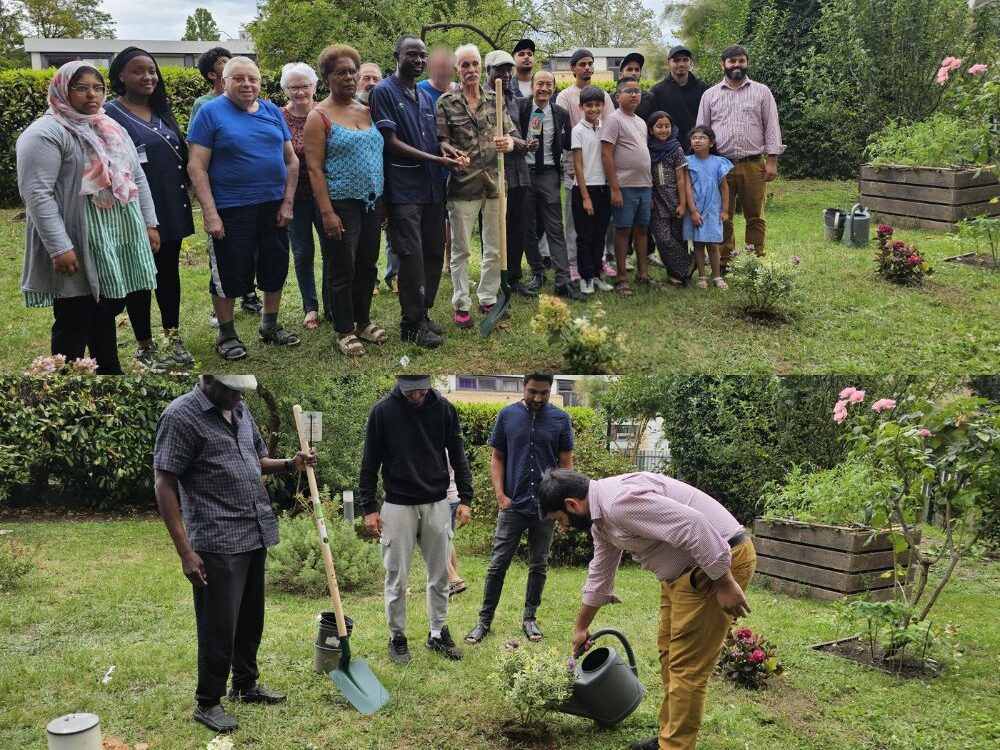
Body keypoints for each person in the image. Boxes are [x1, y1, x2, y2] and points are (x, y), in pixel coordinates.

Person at [537, 469, 754, 750]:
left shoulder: (619, 503)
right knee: (669, 655)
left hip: (715, 564)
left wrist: (724, 582)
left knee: (687, 668)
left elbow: (695, 524)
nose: (563, 527)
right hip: (684, 573)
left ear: (571, 504)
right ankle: (668, 738)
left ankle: (675, 746)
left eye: (560, 519)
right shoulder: (602, 521)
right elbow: (600, 574)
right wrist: (581, 627)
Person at [154, 374, 318, 734]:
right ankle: (208, 701)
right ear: (208, 379)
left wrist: (290, 463)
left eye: (243, 392)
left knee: (249, 618)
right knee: (219, 625)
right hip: (217, 538)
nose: (240, 398)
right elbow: (164, 483)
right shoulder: (180, 416)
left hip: (253, 530)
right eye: (233, 391)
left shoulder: (240, 410)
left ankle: (245, 684)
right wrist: (185, 551)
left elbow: (257, 460)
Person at [18, 61, 158, 375]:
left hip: (113, 235)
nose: (91, 95)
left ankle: (108, 372)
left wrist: (149, 223)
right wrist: (59, 247)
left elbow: (136, 176)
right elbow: (37, 194)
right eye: (81, 88)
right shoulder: (45, 133)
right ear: (62, 91)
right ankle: (68, 382)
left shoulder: (110, 127)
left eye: (97, 88)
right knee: (75, 313)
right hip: (77, 238)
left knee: (106, 307)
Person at [187, 56, 300, 361]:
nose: (247, 84)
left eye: (253, 78)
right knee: (229, 272)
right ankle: (227, 334)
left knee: (275, 266)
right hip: (231, 208)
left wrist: (287, 202)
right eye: (239, 78)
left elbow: (291, 160)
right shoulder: (210, 112)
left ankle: (269, 325)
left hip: (273, 206)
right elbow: (196, 166)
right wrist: (210, 213)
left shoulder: (272, 111)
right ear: (224, 81)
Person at [359, 375, 474, 664]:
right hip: (397, 505)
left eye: (420, 390)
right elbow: (369, 461)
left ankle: (437, 633)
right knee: (396, 576)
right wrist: (369, 507)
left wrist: (466, 498)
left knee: (440, 574)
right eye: (409, 391)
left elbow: (458, 455)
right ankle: (397, 637)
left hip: (437, 502)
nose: (415, 396)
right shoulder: (382, 411)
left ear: (429, 382)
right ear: (399, 383)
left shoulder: (444, 409)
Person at [371, 35, 466, 350]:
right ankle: (410, 324)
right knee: (411, 256)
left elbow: (433, 139)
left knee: (434, 251)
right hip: (404, 190)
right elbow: (390, 142)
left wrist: (446, 149)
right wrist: (436, 160)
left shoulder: (425, 96)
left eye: (423, 55)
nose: (419, 60)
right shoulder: (384, 92)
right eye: (412, 54)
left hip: (432, 189)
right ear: (396, 56)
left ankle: (423, 313)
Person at [465, 374, 573, 646]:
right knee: (497, 565)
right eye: (532, 391)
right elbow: (497, 458)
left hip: (545, 509)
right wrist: (500, 495)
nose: (538, 398)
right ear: (523, 387)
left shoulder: (561, 419)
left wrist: (560, 504)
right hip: (513, 505)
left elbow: (566, 465)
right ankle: (484, 621)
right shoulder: (507, 416)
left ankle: (529, 618)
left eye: (544, 393)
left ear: (550, 390)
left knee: (539, 565)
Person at [105, 47, 195, 370]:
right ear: (120, 75)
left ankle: (173, 336)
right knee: (139, 275)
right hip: (134, 209)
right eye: (138, 71)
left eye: (152, 70)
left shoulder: (161, 111)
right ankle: (144, 344)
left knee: (169, 273)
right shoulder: (109, 114)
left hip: (169, 205)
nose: (148, 77)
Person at [304, 44, 388, 357]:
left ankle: (363, 321)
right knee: (342, 269)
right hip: (340, 204)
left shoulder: (367, 111)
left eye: (353, 71)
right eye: (341, 72)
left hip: (371, 202)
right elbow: (314, 169)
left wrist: (384, 202)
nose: (350, 77)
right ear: (327, 77)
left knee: (367, 265)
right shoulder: (319, 116)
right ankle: (344, 330)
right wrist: (327, 213)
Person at [436, 44, 514, 329]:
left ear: (482, 67)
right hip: (462, 185)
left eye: (475, 64)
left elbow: (510, 135)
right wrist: (450, 154)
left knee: (495, 247)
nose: (471, 69)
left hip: (494, 183)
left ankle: (488, 297)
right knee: (461, 250)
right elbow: (442, 142)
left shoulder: (496, 98)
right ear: (457, 69)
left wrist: (508, 143)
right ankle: (461, 303)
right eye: (465, 65)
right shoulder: (446, 102)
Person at [191, 46, 262, 320]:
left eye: (252, 78)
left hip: (258, 198)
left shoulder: (260, 106)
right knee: (227, 256)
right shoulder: (206, 107)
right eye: (224, 63)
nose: (246, 82)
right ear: (216, 76)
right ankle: (224, 316)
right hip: (227, 196)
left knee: (253, 251)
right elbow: (198, 157)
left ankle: (249, 294)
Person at [696, 44, 783, 267]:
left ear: (747, 63)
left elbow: (772, 126)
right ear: (722, 64)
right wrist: (705, 165)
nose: (737, 65)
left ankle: (754, 261)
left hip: (753, 164)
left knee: (755, 217)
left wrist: (772, 161)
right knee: (723, 215)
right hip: (720, 165)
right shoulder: (710, 95)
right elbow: (701, 131)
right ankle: (724, 262)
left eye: (741, 61)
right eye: (732, 61)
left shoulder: (761, 92)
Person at [513, 70, 582, 300]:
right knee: (526, 226)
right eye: (540, 84)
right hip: (524, 173)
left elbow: (569, 143)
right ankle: (537, 272)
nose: (544, 88)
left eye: (549, 84)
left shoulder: (561, 113)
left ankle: (563, 280)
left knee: (555, 226)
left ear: (553, 88)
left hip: (549, 174)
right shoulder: (520, 107)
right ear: (532, 86)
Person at [555, 50, 615, 283]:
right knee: (574, 220)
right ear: (573, 69)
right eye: (582, 64)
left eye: (590, 63)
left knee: (600, 221)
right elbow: (563, 133)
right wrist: (569, 164)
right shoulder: (565, 97)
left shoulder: (603, 95)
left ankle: (598, 261)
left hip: (600, 168)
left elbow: (609, 127)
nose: (587, 67)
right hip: (576, 166)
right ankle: (573, 263)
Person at [486, 51, 541, 299]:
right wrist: (519, 143)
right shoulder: (483, 98)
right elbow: (492, 134)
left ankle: (514, 277)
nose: (506, 74)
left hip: (519, 170)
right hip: (495, 170)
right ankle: (494, 282)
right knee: (496, 229)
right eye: (500, 69)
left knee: (519, 226)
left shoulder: (514, 98)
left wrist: (528, 143)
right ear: (488, 71)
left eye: (508, 69)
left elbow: (517, 130)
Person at [279, 62, 328, 332]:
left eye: (304, 86)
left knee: (331, 250)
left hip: (325, 195)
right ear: (285, 89)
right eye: (293, 87)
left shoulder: (324, 112)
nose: (299, 91)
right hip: (294, 197)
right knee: (302, 252)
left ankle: (331, 303)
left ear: (314, 86)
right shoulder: (278, 117)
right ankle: (310, 307)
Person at [602, 76, 654, 296]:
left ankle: (643, 273)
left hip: (645, 185)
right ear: (618, 96)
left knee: (642, 229)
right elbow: (606, 154)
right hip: (624, 186)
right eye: (629, 91)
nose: (634, 95)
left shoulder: (641, 122)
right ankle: (622, 277)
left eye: (637, 91)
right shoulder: (613, 120)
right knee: (623, 230)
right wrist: (614, 188)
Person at [356, 62, 398, 294]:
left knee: (393, 227)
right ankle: (369, 280)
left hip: (391, 175)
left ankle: (394, 275)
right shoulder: (350, 108)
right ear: (357, 81)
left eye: (376, 79)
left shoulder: (387, 107)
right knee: (366, 233)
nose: (371, 83)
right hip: (364, 180)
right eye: (366, 78)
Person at [570, 86, 615, 295]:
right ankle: (585, 277)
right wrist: (585, 196)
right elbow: (578, 165)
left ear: (603, 106)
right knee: (585, 235)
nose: (594, 109)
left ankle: (597, 274)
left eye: (597, 105)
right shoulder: (578, 130)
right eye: (589, 105)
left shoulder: (606, 128)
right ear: (581, 107)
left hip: (603, 188)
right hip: (584, 189)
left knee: (600, 234)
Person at [417, 46, 457, 277]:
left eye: (446, 66)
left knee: (452, 218)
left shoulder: (459, 91)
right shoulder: (420, 90)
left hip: (455, 167)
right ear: (430, 67)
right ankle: (426, 262)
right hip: (429, 167)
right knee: (432, 220)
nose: (443, 71)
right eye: (438, 66)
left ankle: (449, 262)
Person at [683, 125, 732, 290]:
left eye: (702, 138)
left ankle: (716, 276)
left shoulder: (719, 162)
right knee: (698, 244)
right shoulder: (687, 162)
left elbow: (724, 188)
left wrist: (724, 210)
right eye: (694, 138)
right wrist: (693, 211)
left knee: (713, 244)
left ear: (711, 143)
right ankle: (702, 276)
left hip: (713, 210)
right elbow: (687, 188)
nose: (697, 141)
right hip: (696, 209)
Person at [647, 111, 690, 286]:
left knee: (678, 237)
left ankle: (676, 275)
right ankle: (689, 263)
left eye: (667, 126)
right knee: (663, 238)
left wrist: (683, 203)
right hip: (656, 199)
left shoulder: (676, 148)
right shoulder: (648, 148)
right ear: (651, 130)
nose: (664, 130)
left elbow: (681, 178)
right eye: (659, 126)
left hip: (674, 198)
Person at [650, 46, 709, 153]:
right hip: (667, 151)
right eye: (676, 60)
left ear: (690, 63)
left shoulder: (703, 88)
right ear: (668, 63)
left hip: (697, 149)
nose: (681, 64)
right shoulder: (657, 91)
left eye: (685, 60)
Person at [613, 52, 655, 121]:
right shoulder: (610, 99)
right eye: (629, 69)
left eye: (637, 70)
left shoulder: (649, 98)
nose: (634, 73)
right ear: (620, 75)